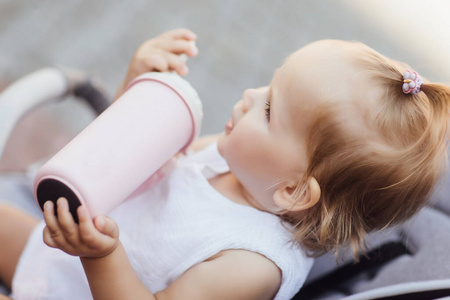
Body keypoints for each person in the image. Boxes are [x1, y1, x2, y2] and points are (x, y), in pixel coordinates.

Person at [1, 28, 449, 300]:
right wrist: (137, 84)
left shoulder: (251, 263)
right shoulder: (239, 163)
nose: (250, 96)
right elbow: (130, 161)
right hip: (58, 260)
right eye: (268, 85)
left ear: (293, 189)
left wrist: (100, 256)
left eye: (271, 109)